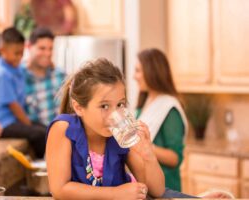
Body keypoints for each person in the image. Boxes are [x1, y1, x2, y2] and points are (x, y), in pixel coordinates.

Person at [46, 58, 165, 199]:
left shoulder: (120, 134)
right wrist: (115, 194)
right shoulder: (63, 129)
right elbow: (59, 189)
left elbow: (157, 191)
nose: (114, 115)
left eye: (120, 105)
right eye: (104, 106)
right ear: (78, 107)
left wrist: (148, 154)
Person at [0, 27, 65, 158]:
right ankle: (43, 161)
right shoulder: (11, 72)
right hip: (6, 123)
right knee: (40, 133)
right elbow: (4, 106)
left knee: (45, 129)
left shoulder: (59, 75)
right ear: (30, 47)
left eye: (50, 49)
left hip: (57, 138)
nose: (47, 54)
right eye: (42, 48)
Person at [134, 48, 188, 191]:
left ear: (152, 71)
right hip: (145, 186)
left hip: (166, 188)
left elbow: (175, 158)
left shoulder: (170, 109)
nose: (134, 76)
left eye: (138, 70)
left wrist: (145, 147)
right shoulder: (145, 101)